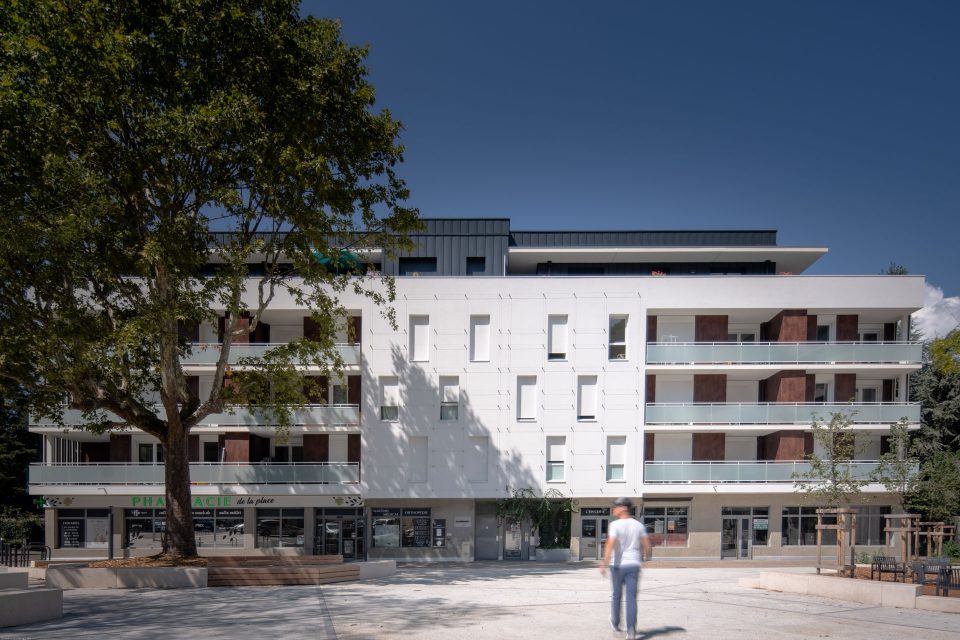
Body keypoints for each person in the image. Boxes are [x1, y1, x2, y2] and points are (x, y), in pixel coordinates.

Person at [600, 497, 651, 640]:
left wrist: (604, 562)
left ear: (623, 508)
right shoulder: (639, 525)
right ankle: (631, 631)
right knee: (631, 598)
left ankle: (615, 623)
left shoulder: (615, 525)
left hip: (618, 566)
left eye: (616, 506)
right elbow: (647, 545)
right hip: (634, 565)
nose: (613, 509)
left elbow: (610, 544)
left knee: (617, 595)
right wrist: (644, 559)